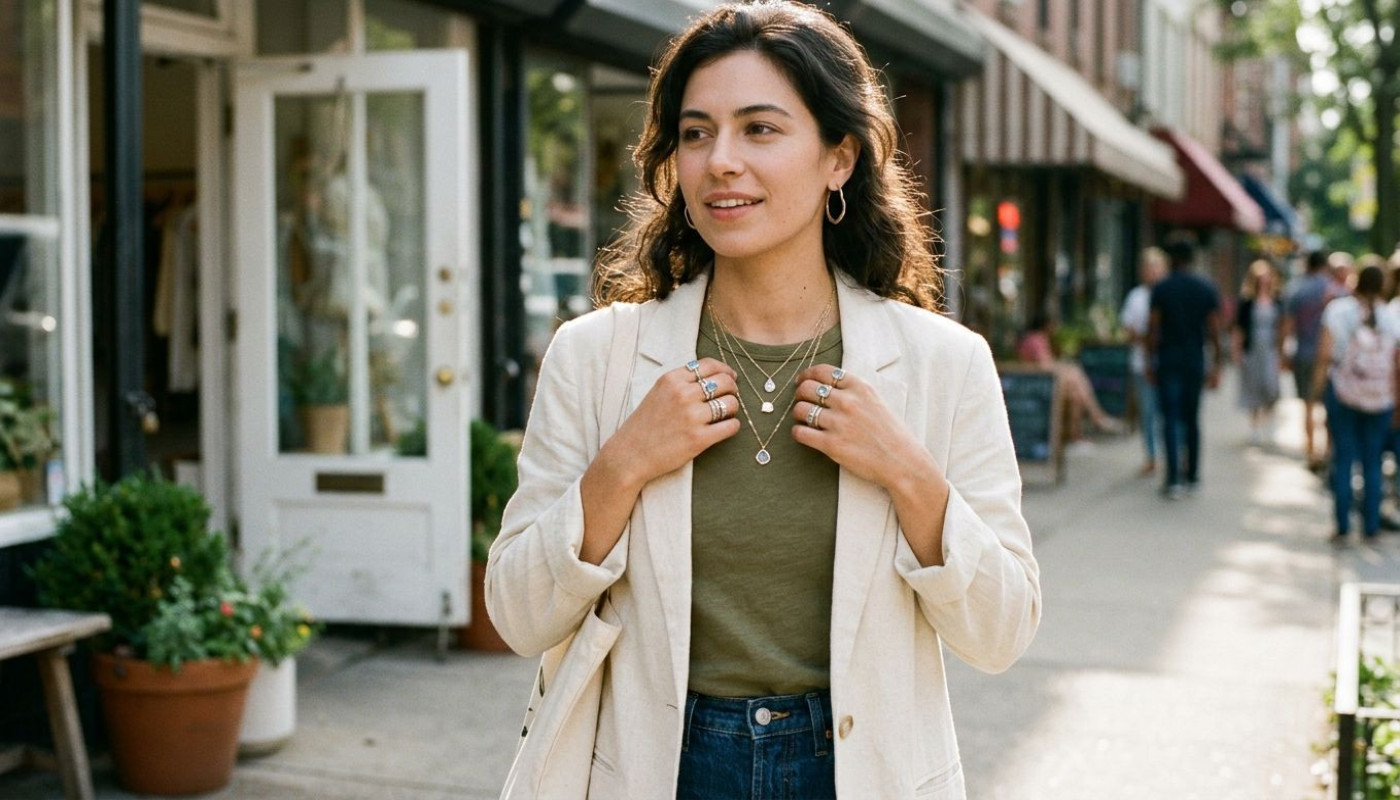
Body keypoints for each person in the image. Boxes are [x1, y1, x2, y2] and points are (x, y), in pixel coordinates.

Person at [485, 4, 1041, 798]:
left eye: (761, 129)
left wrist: (909, 475)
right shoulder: (597, 357)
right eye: (697, 132)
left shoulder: (942, 365)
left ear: (838, 158)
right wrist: (624, 465)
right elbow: (516, 614)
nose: (721, 162)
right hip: (656, 768)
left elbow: (1002, 630)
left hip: (859, 772)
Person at [1311, 263, 1400, 540]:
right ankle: (1371, 527)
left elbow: (1325, 355)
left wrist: (1315, 393)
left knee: (1344, 459)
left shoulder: (1338, 312)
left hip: (1343, 394)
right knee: (1373, 462)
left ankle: (1342, 526)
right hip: (1380, 398)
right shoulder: (1392, 317)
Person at [1147, 236, 1223, 499]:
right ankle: (1192, 475)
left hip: (1168, 360)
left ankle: (1173, 478)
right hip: (1194, 360)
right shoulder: (1205, 287)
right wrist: (1217, 365)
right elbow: (1214, 329)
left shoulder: (1162, 288)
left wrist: (1149, 360)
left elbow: (1153, 328)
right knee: (1192, 418)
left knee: (1169, 418)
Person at [1015, 313, 1124, 448]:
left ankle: (1080, 433)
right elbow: (1045, 366)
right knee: (1075, 374)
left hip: (1041, 381)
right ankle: (1096, 418)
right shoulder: (1036, 339)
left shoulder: (1037, 338)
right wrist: (1065, 368)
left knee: (1076, 395)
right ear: (1046, 325)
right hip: (1036, 383)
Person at [1282, 250, 1345, 470]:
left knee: (1307, 406)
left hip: (1305, 353)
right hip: (1332, 358)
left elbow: (1288, 325)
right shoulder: (1337, 291)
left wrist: (1283, 354)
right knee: (1329, 407)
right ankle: (1326, 450)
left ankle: (1310, 451)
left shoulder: (1297, 290)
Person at [1121, 247, 1168, 476]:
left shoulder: (1169, 294)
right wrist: (1146, 340)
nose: (1151, 273)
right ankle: (1151, 456)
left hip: (1166, 364)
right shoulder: (1136, 297)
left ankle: (1171, 454)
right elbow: (1128, 329)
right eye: (1148, 268)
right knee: (1148, 412)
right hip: (1142, 364)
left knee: (1167, 413)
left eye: (1155, 268)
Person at [1233, 259, 1284, 445]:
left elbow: (1282, 327)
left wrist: (1282, 351)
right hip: (1252, 348)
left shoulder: (1277, 300)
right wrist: (1237, 351)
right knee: (1252, 387)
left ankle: (1269, 424)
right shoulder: (1247, 302)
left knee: (1271, 387)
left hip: (1270, 349)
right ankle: (1254, 427)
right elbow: (1239, 328)